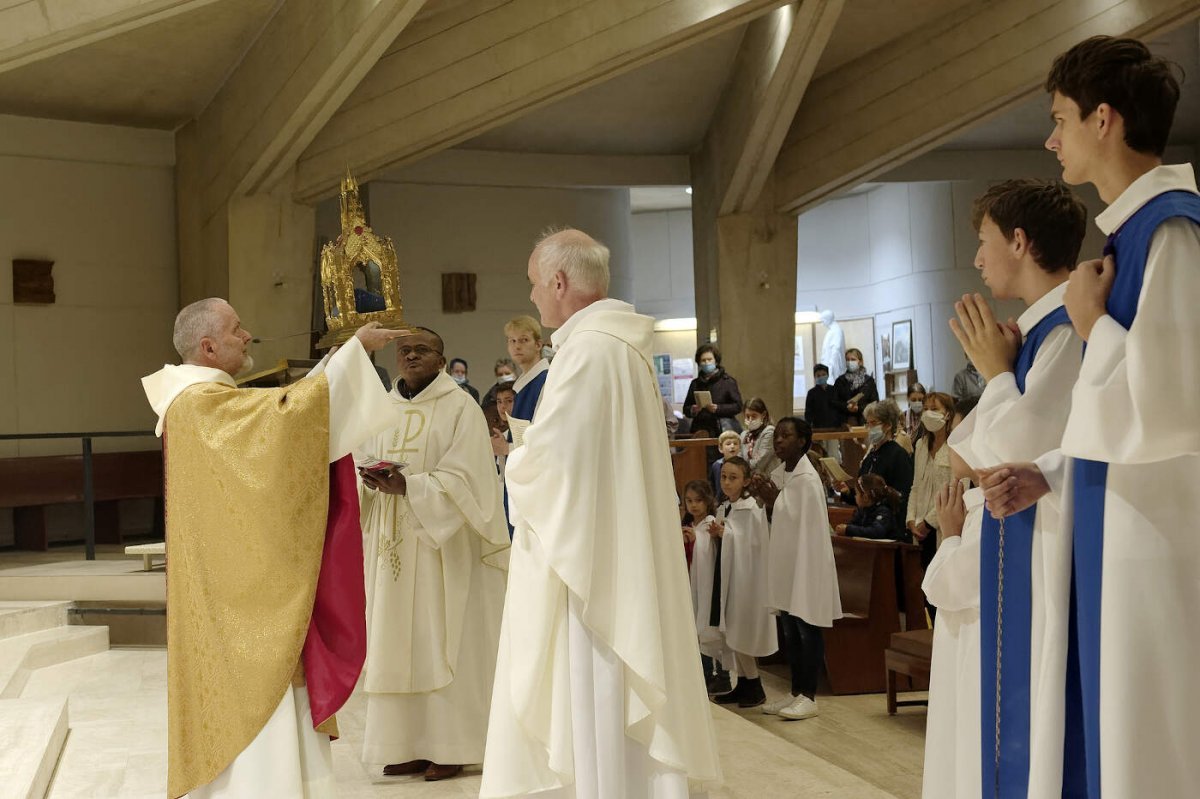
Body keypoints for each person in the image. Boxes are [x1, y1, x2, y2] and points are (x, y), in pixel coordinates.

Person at [981, 37, 1200, 797]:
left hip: (1157, 536)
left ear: (1103, 119)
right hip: (1122, 521)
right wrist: (1051, 470)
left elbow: (1173, 404)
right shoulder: (1130, 232)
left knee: (1149, 740)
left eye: (1060, 119)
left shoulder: (1171, 228)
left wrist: (1089, 322)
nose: (1052, 138)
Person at [481, 228, 721, 798]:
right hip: (615, 551)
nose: (536, 300)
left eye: (537, 286)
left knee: (595, 691)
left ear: (560, 282)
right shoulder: (618, 348)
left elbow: (557, 467)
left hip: (592, 573)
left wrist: (515, 456)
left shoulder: (589, 354)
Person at [141, 299, 409, 799]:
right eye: (237, 328)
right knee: (259, 683)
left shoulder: (203, 401)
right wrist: (353, 352)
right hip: (238, 596)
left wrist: (341, 362)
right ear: (208, 345)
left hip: (229, 583)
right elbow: (288, 419)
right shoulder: (199, 402)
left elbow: (284, 410)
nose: (248, 335)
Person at [948, 177, 1088, 797]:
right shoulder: (1031, 333)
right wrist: (999, 371)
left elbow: (1012, 453)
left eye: (984, 241)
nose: (978, 258)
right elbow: (962, 457)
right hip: (1016, 547)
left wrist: (996, 375)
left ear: (1020, 241)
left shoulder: (1063, 330)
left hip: (1046, 552)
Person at [355, 328, 511, 782]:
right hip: (393, 545)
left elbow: (470, 479)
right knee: (396, 641)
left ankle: (451, 745)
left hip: (442, 547)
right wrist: (369, 476)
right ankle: (406, 744)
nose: (410, 357)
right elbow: (362, 453)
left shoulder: (460, 406)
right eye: (403, 351)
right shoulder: (383, 406)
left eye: (421, 350)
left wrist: (414, 486)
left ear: (441, 360)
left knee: (439, 639)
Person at [751, 417, 842, 721]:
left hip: (806, 563)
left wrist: (772, 499)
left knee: (806, 628)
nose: (779, 441)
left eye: (786, 436)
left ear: (802, 441)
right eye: (776, 435)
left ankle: (809, 696)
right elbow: (779, 516)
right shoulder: (782, 474)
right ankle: (794, 692)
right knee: (790, 630)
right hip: (787, 562)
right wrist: (767, 500)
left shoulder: (807, 478)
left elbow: (801, 520)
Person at [921, 398, 984, 799]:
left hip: (973, 649)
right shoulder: (973, 500)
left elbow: (946, 587)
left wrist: (952, 533)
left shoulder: (988, 506)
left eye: (959, 432)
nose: (950, 443)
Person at [708, 456, 777, 709]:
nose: (726, 482)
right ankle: (744, 683)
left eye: (733, 477)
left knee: (740, 631)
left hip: (745, 580)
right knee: (731, 633)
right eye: (724, 476)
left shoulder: (751, 508)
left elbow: (752, 545)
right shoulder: (727, 506)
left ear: (746, 480)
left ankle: (755, 685)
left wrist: (725, 534)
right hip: (728, 576)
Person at [907, 392, 957, 599]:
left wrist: (928, 522)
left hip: (941, 525)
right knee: (926, 589)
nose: (928, 413)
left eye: (934, 409)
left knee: (944, 587)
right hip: (919, 527)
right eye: (926, 408)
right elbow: (916, 485)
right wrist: (911, 518)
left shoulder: (954, 445)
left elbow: (955, 487)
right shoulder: (921, 444)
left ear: (948, 414)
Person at [683, 479, 730, 696]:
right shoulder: (690, 525)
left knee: (711, 630)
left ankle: (723, 676)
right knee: (696, 628)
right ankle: (704, 673)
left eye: (698, 500)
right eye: (689, 501)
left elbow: (710, 548)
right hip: (694, 585)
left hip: (709, 584)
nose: (694, 506)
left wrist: (698, 539)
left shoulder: (710, 522)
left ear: (708, 501)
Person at [836, 399, 913, 515]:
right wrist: (847, 492)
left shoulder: (898, 455)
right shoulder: (870, 456)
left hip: (886, 522)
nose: (869, 427)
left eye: (873, 423)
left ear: (887, 425)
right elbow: (862, 494)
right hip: (867, 521)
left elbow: (902, 497)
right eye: (867, 423)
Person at [683, 343, 743, 437]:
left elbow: (738, 406)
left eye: (709, 359)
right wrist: (693, 409)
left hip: (722, 429)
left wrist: (718, 408)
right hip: (700, 429)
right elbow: (686, 408)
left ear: (716, 361)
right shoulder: (695, 383)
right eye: (703, 360)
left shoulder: (727, 381)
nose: (707, 363)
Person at [834, 474, 904, 541]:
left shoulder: (884, 511)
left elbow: (876, 531)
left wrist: (848, 529)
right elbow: (854, 523)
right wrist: (843, 528)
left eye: (856, 493)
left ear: (865, 497)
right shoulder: (861, 510)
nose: (855, 496)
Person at [833, 348, 878, 426]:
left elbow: (875, 402)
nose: (850, 362)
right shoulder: (840, 381)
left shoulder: (869, 381)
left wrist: (859, 408)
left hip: (865, 421)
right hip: (845, 422)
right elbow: (835, 402)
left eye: (853, 359)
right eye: (847, 360)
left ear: (860, 362)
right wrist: (846, 407)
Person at [740, 397, 781, 477]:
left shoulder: (770, 432)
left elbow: (760, 462)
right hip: (749, 479)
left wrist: (742, 469)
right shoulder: (743, 435)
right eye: (747, 416)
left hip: (768, 480)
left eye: (754, 416)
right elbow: (739, 458)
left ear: (763, 415)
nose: (750, 420)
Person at [803, 363, 842, 429]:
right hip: (818, 427)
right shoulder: (811, 393)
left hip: (835, 426)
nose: (821, 377)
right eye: (818, 375)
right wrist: (809, 425)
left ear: (828, 375)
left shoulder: (834, 390)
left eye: (823, 374)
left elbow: (840, 407)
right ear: (814, 377)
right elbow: (808, 413)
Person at [709, 430, 742, 500]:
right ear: (721, 448)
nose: (732, 446)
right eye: (728, 444)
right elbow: (712, 487)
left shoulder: (743, 465)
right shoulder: (716, 465)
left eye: (735, 444)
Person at [818, 309, 846, 381]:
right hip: (828, 369)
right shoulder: (831, 331)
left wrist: (830, 368)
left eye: (823, 321)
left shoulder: (836, 330)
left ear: (828, 319)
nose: (822, 324)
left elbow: (836, 349)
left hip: (833, 370)